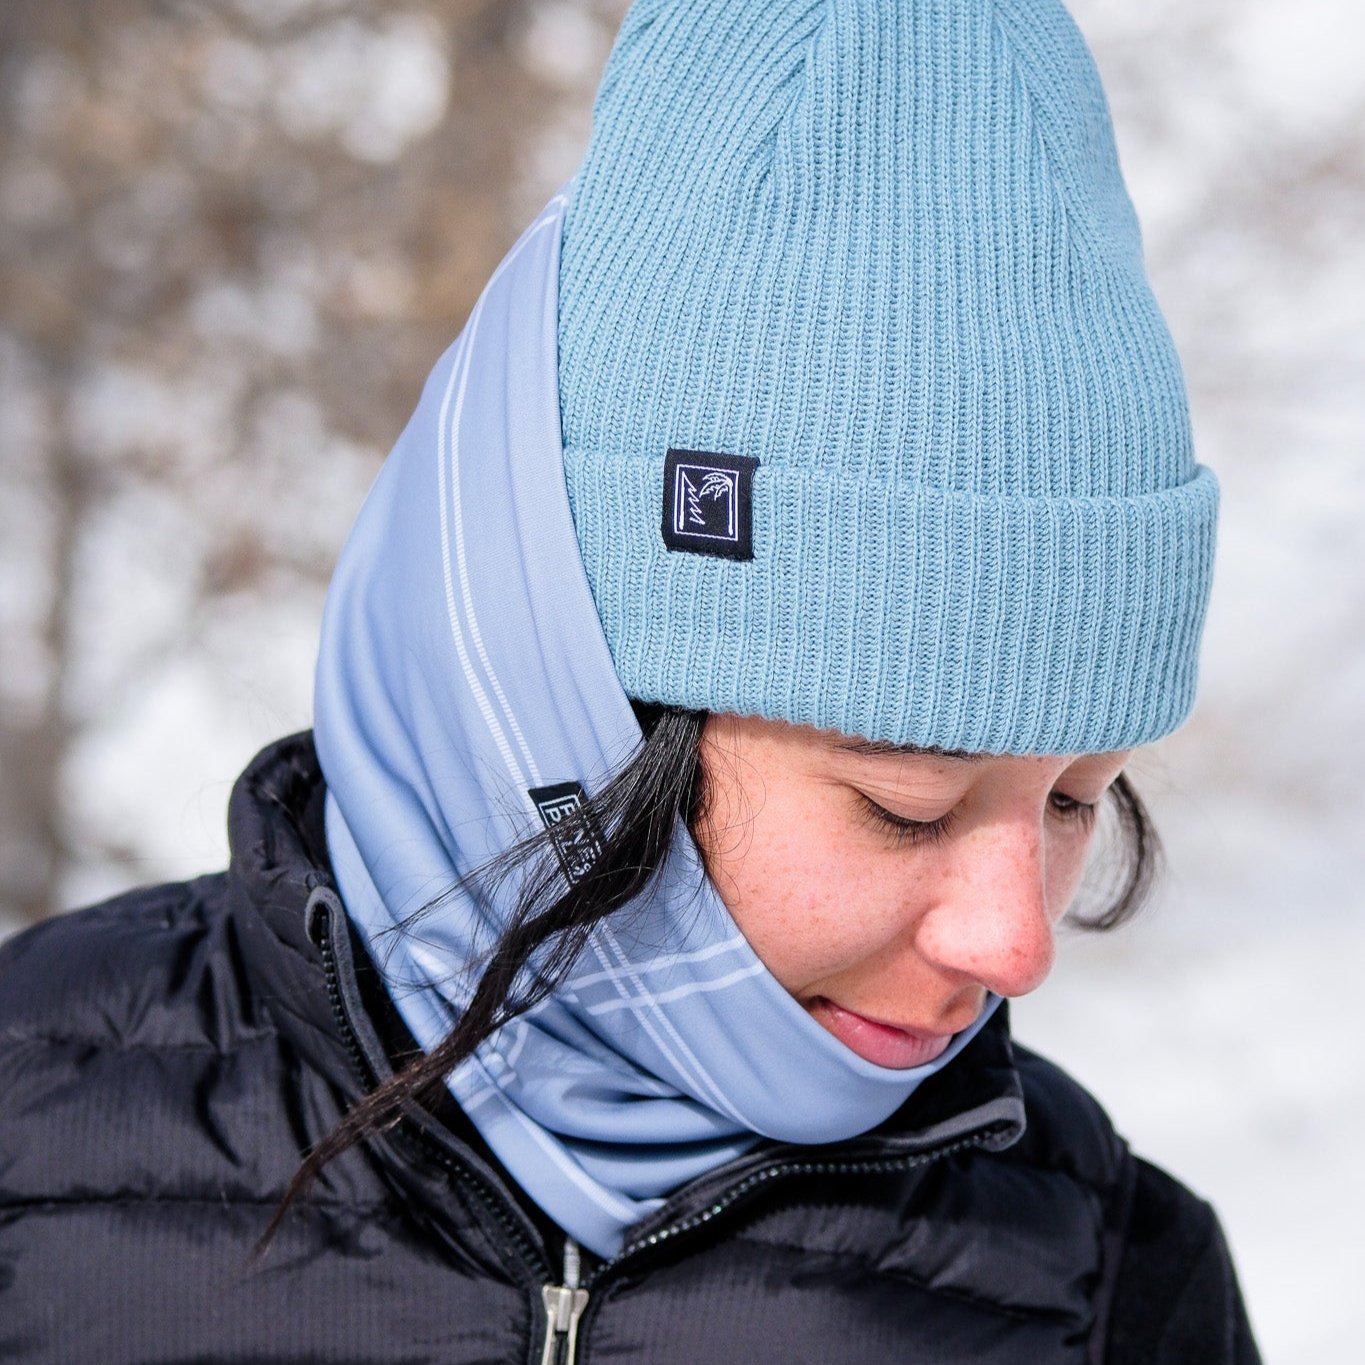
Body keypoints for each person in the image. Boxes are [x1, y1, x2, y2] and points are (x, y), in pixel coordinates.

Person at [0, 0, 1260, 1360]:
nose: (1014, 945)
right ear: (572, 710)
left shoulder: (1107, 1279)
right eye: (906, 806)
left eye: (1073, 798)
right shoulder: (30, 1140)